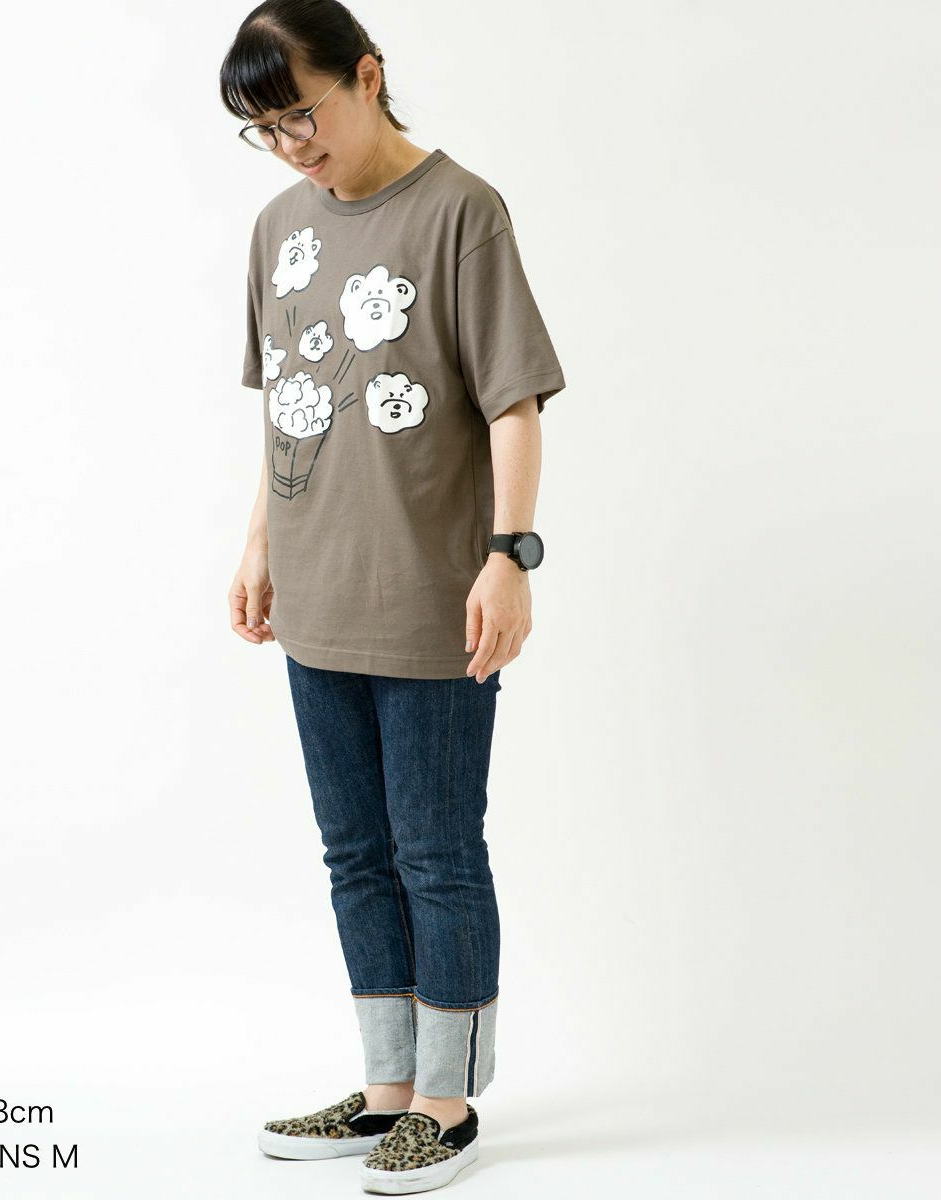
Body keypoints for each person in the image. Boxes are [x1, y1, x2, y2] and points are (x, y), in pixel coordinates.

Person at [221, 2, 566, 1192]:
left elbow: (513, 400)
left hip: (430, 594)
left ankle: (446, 1105)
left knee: (436, 851)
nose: (290, 146)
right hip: (316, 592)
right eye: (265, 129)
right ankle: (384, 1093)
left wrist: (510, 554)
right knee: (355, 852)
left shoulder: (462, 210)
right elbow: (286, 406)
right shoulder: (278, 228)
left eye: (300, 114)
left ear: (367, 76)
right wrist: (259, 544)